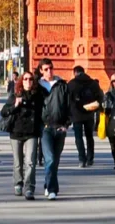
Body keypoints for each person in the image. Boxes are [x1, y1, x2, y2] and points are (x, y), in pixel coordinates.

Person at [0, 70, 45, 199]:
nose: (28, 82)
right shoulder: (15, 95)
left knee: (30, 161)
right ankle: (18, 184)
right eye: (25, 79)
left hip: (32, 132)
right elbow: (4, 112)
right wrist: (15, 105)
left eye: (30, 79)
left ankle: (29, 187)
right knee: (18, 162)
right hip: (16, 132)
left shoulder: (38, 95)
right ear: (21, 81)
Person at [37, 58, 71, 200]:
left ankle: (48, 184)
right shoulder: (37, 86)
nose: (49, 71)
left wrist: (66, 125)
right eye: (46, 69)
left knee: (55, 161)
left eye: (51, 68)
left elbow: (69, 106)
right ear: (41, 71)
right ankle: (52, 190)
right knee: (49, 159)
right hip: (45, 128)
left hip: (60, 128)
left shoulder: (62, 85)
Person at [68, 65, 103, 168]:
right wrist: (95, 108)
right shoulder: (93, 83)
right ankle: (90, 158)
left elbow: (67, 100)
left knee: (78, 137)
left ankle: (82, 159)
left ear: (75, 72)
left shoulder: (71, 84)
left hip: (76, 114)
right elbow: (100, 97)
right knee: (89, 137)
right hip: (89, 113)